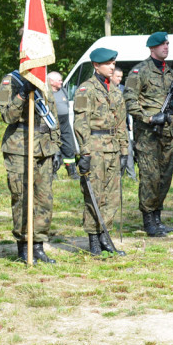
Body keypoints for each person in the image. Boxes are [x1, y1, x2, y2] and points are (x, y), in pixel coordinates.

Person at [0, 69, 61, 263]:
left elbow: (53, 116)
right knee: (22, 198)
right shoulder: (10, 81)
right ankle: (23, 247)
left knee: (44, 200)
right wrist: (22, 94)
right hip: (20, 146)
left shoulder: (43, 79)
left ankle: (38, 245)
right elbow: (7, 116)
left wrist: (56, 145)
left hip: (44, 147)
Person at [124, 31, 173, 237]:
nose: (166, 47)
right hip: (148, 134)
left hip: (167, 133)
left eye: (167, 43)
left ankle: (158, 217)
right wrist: (148, 117)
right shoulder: (139, 71)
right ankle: (148, 219)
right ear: (152, 48)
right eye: (162, 44)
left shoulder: (171, 74)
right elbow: (129, 101)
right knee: (150, 177)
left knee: (165, 177)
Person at [74, 48, 128, 257]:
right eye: (108, 63)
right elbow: (80, 123)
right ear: (96, 65)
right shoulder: (85, 90)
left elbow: (121, 123)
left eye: (113, 63)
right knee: (94, 194)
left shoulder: (115, 90)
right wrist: (85, 153)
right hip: (95, 148)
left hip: (113, 148)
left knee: (112, 196)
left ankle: (105, 236)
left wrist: (124, 151)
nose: (112, 66)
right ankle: (94, 240)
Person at [48, 71, 78, 180]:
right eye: (59, 80)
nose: (61, 81)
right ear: (51, 82)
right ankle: (53, 172)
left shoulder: (63, 91)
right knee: (54, 148)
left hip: (65, 123)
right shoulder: (46, 93)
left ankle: (72, 172)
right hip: (52, 124)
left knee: (69, 147)